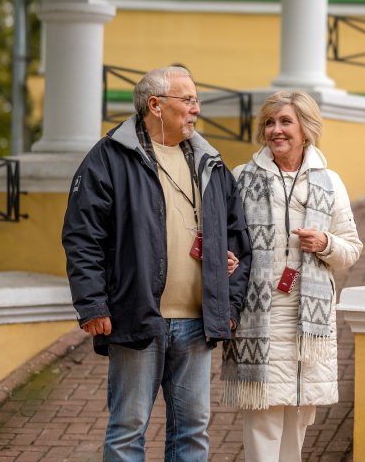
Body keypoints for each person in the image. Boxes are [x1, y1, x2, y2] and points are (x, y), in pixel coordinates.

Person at [63, 66, 252, 462]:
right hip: (136, 317)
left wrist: (229, 306)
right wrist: (92, 304)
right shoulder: (108, 157)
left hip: (197, 323)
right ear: (155, 105)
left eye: (196, 100)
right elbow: (83, 236)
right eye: (188, 100)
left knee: (193, 431)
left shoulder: (210, 162)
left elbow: (237, 239)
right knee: (127, 429)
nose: (196, 108)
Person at [221, 90, 363, 462]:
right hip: (258, 317)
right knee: (263, 418)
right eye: (269, 122)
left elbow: (351, 248)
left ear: (305, 128)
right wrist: (225, 260)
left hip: (308, 321)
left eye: (286, 121)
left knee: (299, 415)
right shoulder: (242, 178)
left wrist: (326, 243)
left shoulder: (329, 182)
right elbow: (223, 239)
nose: (276, 130)